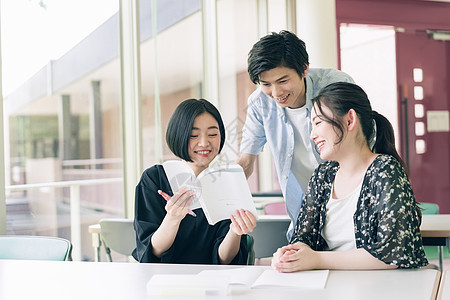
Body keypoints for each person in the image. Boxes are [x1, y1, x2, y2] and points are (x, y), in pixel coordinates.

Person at [271, 82, 428, 272]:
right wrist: (292, 253)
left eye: (318, 122)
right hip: (327, 287)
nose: (312, 135)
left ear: (350, 120)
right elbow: (304, 237)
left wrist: (317, 260)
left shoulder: (384, 170)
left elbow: (392, 254)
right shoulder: (323, 176)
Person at [236, 30, 354, 239]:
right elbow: (246, 161)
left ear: (304, 69)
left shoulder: (334, 85)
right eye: (265, 84)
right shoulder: (259, 103)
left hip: (348, 200)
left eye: (283, 81)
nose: (276, 93)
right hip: (304, 213)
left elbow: (362, 145)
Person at [133, 98, 257, 264]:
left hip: (213, 282)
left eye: (213, 134)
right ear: (179, 135)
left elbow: (225, 259)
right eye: (193, 135)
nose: (204, 143)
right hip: (165, 281)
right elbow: (151, 251)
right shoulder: (154, 180)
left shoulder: (227, 181)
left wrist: (235, 232)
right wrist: (173, 218)